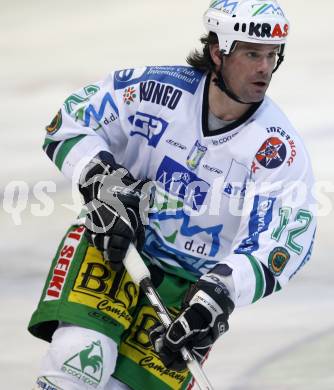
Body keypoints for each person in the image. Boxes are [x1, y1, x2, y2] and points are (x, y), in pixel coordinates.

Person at [29, 1, 317, 389]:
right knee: (77, 363)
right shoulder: (154, 89)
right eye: (252, 53)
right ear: (218, 51)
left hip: (190, 290)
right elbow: (68, 123)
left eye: (271, 55)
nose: (265, 67)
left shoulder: (276, 148)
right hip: (115, 247)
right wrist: (102, 181)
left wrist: (222, 292)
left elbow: (284, 242)